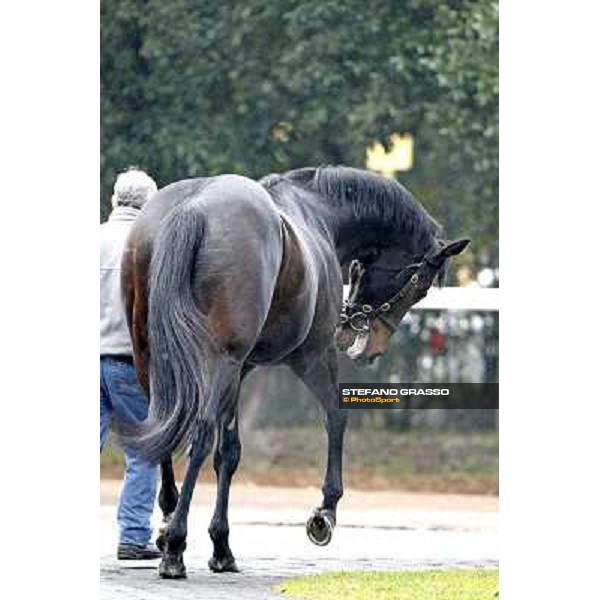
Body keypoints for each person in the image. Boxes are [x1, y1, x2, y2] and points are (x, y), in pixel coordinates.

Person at [100, 168, 161, 560]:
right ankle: (134, 538)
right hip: (127, 362)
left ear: (114, 200)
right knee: (144, 454)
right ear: (150, 204)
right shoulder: (150, 244)